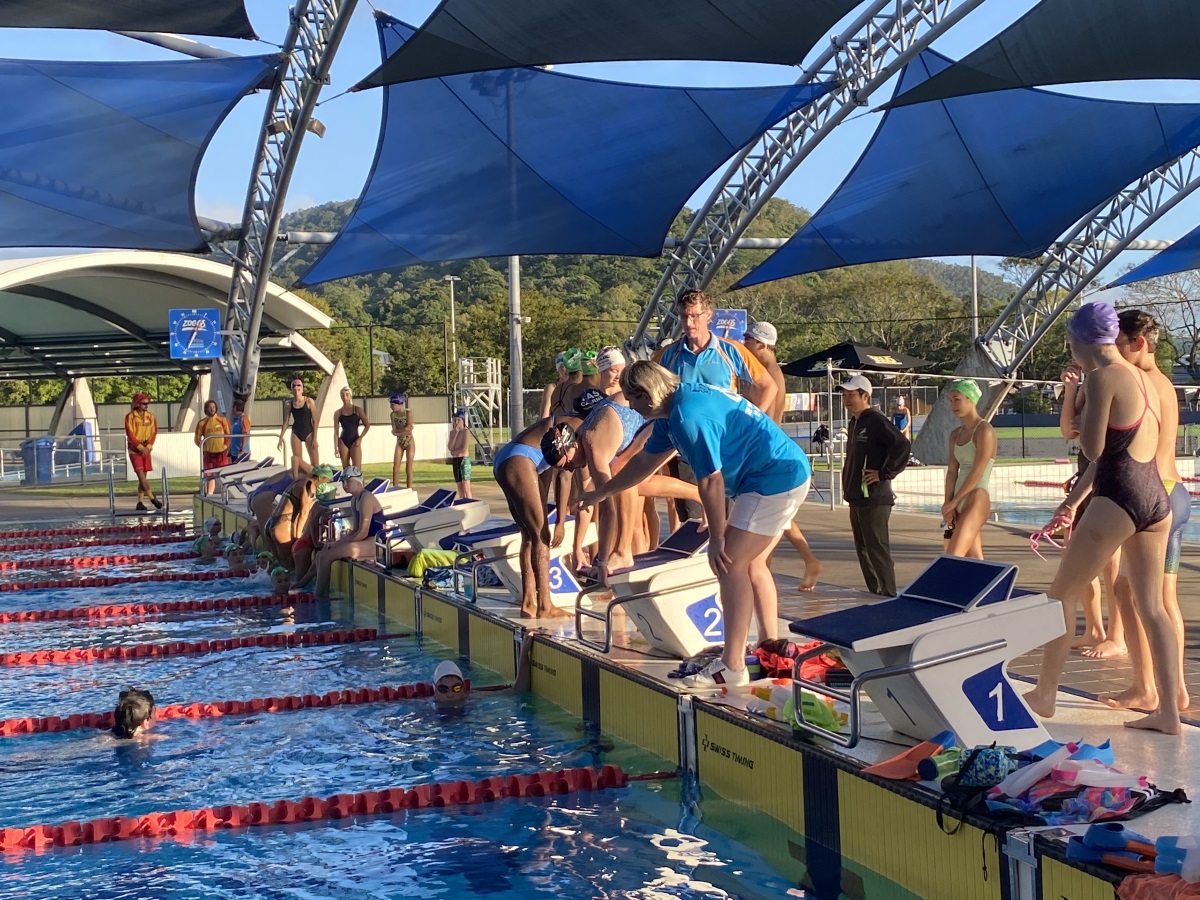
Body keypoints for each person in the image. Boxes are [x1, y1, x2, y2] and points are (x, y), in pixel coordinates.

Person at [576, 362, 812, 688]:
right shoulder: (671, 412)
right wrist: (602, 492)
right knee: (751, 563)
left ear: (648, 393)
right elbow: (645, 463)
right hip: (768, 476)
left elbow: (711, 481)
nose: (630, 405)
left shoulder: (688, 417)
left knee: (729, 562)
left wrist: (717, 536)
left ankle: (732, 665)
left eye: (633, 397)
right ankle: (768, 646)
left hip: (774, 478)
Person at [1025, 302, 1180, 735]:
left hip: (1119, 497)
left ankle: (1044, 694)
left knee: (1061, 594)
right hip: (1156, 499)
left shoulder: (1103, 376)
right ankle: (1168, 713)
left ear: (1080, 342)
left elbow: (1093, 449)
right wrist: (1072, 503)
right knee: (1154, 609)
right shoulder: (1145, 377)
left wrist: (1076, 401)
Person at [1101, 310, 1190, 714]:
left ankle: (1145, 687)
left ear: (1138, 344)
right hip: (1177, 492)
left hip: (1153, 496)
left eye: (1117, 347)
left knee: (1131, 592)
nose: (1112, 356)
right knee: (1163, 600)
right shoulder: (1166, 384)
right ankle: (1179, 689)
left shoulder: (1138, 383)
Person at [654, 289, 777, 520]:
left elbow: (768, 386)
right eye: (683, 317)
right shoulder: (667, 355)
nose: (688, 323)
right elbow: (650, 393)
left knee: (727, 519)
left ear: (709, 315)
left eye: (694, 316)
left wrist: (746, 423)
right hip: (685, 448)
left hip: (724, 447)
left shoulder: (730, 350)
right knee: (692, 521)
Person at [743, 321, 823, 591]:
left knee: (769, 516)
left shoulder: (769, 376)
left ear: (763, 345)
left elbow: (761, 419)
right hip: (768, 449)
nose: (745, 344)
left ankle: (767, 567)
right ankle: (802, 561)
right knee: (779, 516)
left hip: (765, 451)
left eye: (749, 341)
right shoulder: (769, 373)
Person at [1060, 361, 1125, 657]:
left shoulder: (1112, 383)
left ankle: (1117, 636)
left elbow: (1102, 451)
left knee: (1111, 566)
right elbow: (1067, 431)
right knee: (1077, 557)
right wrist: (1070, 390)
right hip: (1086, 482)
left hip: (1106, 485)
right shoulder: (1088, 387)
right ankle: (1094, 629)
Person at [491, 416, 581, 619]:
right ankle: (545, 606)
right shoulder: (580, 429)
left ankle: (529, 602)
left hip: (508, 457)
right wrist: (559, 521)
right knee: (541, 537)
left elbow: (548, 473)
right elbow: (564, 476)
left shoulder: (562, 424)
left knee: (529, 534)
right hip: (520, 461)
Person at [840, 375, 910, 597]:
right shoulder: (855, 423)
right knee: (863, 550)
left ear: (865, 396)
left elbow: (902, 445)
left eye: (851, 395)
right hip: (857, 497)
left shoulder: (875, 420)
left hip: (875, 498)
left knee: (877, 549)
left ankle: (888, 593)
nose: (846, 400)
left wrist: (884, 474)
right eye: (844, 395)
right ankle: (875, 592)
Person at [941, 379, 997, 559]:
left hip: (976, 497)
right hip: (958, 501)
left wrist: (954, 501)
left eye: (957, 399)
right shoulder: (955, 434)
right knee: (975, 559)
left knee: (953, 557)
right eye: (950, 400)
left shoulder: (984, 430)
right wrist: (947, 503)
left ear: (971, 400)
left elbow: (978, 471)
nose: (953, 404)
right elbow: (951, 472)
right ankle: (989, 587)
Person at [315, 466, 386, 599]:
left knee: (326, 557)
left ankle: (321, 597)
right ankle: (318, 591)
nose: (344, 484)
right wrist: (337, 543)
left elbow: (363, 533)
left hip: (375, 544)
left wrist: (339, 543)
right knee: (321, 554)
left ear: (359, 481)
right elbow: (355, 530)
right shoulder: (355, 500)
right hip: (365, 541)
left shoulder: (366, 499)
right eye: (342, 481)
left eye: (348, 481)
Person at [431, 631, 537, 712]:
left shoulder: (474, 697)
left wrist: (524, 654)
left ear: (463, 690)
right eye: (443, 689)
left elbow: (518, 690)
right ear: (435, 692)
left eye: (456, 688)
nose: (450, 694)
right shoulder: (421, 705)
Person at [267, 464, 334, 567]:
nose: (329, 483)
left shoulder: (300, 481)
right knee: (290, 566)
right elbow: (304, 513)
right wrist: (298, 539)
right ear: (320, 478)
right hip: (283, 526)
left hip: (271, 522)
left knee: (279, 567)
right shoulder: (309, 485)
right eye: (328, 480)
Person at [124, 393, 162, 512]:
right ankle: (152, 498)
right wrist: (140, 447)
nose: (147, 405)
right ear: (137, 404)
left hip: (146, 450)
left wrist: (149, 446)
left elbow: (154, 432)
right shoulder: (130, 417)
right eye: (144, 403)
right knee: (141, 475)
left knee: (143, 478)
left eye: (147, 403)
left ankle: (140, 502)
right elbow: (130, 434)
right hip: (135, 450)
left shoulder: (151, 417)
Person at [278, 378, 319, 478]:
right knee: (297, 461)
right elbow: (286, 422)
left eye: (298, 389)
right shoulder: (289, 404)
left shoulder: (309, 401)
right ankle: (299, 482)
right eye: (294, 389)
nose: (296, 392)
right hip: (296, 432)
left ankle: (316, 481)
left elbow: (315, 420)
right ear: (292, 391)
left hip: (309, 432)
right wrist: (280, 438)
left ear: (302, 390)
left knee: (315, 464)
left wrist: (314, 438)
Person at [194, 400, 231, 495]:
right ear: (206, 409)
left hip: (221, 453)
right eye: (210, 407)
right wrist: (203, 447)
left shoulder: (222, 420)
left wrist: (225, 446)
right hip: (208, 454)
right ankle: (209, 495)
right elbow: (197, 438)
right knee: (209, 476)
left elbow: (228, 435)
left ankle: (226, 494)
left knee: (224, 475)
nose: (212, 409)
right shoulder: (202, 423)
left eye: (213, 407)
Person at [334, 386, 370, 470]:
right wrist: (335, 447)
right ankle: (346, 483)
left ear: (350, 396)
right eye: (343, 395)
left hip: (355, 440)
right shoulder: (338, 413)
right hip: (343, 441)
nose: (345, 397)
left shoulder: (357, 410)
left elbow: (367, 425)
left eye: (347, 395)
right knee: (346, 469)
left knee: (357, 469)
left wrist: (360, 438)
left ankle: (359, 483)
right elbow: (336, 431)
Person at [389, 393, 415, 489]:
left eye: (393, 404)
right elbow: (394, 430)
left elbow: (409, 429)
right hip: (399, 442)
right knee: (396, 466)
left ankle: (409, 488)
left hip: (409, 442)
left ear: (399, 404)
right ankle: (395, 487)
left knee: (409, 467)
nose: (391, 407)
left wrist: (398, 433)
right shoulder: (393, 415)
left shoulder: (408, 413)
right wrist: (402, 432)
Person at [448, 409, 472, 500]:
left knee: (466, 485)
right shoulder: (452, 433)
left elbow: (463, 448)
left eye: (459, 420)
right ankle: (462, 501)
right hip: (456, 460)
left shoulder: (466, 432)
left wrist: (454, 452)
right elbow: (450, 447)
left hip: (464, 460)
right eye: (455, 420)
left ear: (463, 421)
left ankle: (469, 501)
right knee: (459, 485)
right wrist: (456, 433)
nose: (456, 422)